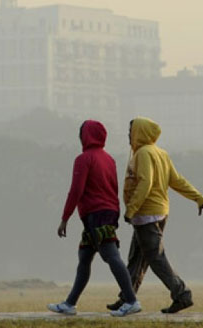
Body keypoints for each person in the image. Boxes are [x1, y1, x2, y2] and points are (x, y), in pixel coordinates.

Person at [107, 117, 203, 314]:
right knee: (137, 257)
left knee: (155, 257)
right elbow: (177, 180)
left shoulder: (143, 153)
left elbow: (145, 182)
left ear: (141, 133)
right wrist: (199, 199)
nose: (129, 136)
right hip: (158, 212)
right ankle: (126, 298)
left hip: (146, 213)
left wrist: (131, 210)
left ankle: (182, 294)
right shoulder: (160, 153)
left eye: (131, 131)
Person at [47, 120, 142, 317]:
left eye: (81, 133)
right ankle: (69, 303)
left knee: (111, 256)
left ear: (85, 136)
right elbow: (114, 188)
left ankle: (132, 300)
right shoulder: (109, 159)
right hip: (106, 212)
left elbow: (76, 190)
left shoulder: (83, 159)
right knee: (84, 258)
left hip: (96, 215)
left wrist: (65, 218)